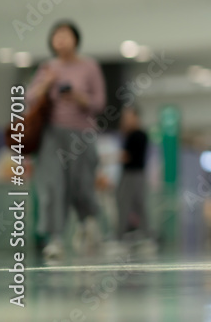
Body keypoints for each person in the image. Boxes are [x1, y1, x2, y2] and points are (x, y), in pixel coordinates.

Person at [27, 21, 106, 260]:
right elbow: (30, 98)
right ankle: (55, 239)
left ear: (75, 39)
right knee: (52, 186)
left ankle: (86, 223)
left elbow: (99, 103)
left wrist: (79, 98)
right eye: (56, 36)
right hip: (52, 134)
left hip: (81, 134)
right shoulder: (47, 68)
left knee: (81, 185)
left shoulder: (89, 66)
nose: (60, 40)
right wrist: (47, 83)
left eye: (66, 35)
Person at [116, 105, 148, 241]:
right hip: (133, 174)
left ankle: (120, 236)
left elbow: (127, 156)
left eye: (128, 117)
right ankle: (145, 233)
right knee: (136, 204)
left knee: (126, 204)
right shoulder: (130, 135)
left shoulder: (138, 135)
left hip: (132, 175)